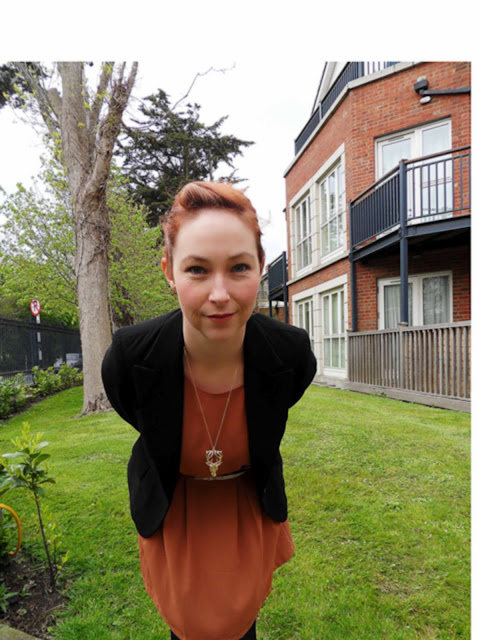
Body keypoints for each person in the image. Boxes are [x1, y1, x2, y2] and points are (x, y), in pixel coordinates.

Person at [101, 181, 317, 640]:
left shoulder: (291, 354)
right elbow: (138, 414)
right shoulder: (130, 357)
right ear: (169, 270)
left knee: (240, 622)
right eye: (197, 269)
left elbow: (280, 402)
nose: (220, 294)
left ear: (261, 265)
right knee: (188, 625)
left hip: (245, 508)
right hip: (176, 510)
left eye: (239, 267)